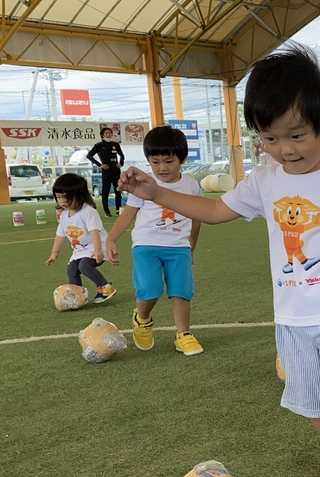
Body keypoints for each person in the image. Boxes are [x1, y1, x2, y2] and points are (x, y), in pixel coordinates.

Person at [119, 44, 320, 477]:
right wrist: (157, 194)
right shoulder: (265, 180)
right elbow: (216, 210)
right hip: (292, 318)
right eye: (270, 137)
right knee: (313, 402)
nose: (285, 148)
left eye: (297, 135)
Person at [104, 126, 203, 355]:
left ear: (183, 158)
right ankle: (142, 318)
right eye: (155, 161)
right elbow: (128, 214)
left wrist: (191, 245)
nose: (162, 168)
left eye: (168, 161)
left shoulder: (190, 185)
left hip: (179, 247)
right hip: (146, 246)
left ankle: (183, 334)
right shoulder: (144, 184)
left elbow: (198, 217)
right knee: (150, 289)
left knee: (181, 290)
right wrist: (110, 239)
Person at [45, 173, 117, 303]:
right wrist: (54, 253)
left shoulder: (88, 211)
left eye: (66, 197)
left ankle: (105, 287)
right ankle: (77, 295)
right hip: (80, 250)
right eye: (59, 197)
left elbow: (94, 232)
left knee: (84, 266)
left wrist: (98, 250)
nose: (62, 201)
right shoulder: (64, 215)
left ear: (79, 196)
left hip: (98, 246)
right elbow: (60, 235)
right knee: (71, 270)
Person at [87, 126, 125, 217]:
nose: (108, 134)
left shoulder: (115, 144)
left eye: (110, 132)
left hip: (115, 169)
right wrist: (100, 165)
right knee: (105, 191)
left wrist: (121, 163)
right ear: (102, 135)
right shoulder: (99, 145)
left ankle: (118, 209)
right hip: (106, 170)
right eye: (106, 133)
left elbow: (122, 155)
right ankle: (106, 211)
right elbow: (89, 156)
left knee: (118, 190)